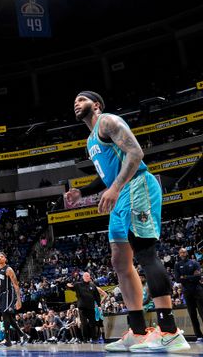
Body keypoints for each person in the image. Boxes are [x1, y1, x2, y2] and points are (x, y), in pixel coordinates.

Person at [65, 91, 190, 352]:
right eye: (74, 100)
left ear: (96, 104)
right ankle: (137, 331)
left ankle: (170, 331)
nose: (76, 102)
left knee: (145, 253)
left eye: (82, 99)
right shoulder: (90, 141)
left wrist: (115, 188)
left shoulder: (108, 121)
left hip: (136, 186)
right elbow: (105, 176)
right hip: (120, 195)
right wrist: (83, 192)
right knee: (120, 261)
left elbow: (135, 153)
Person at [0, 251, 27, 346]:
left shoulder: (8, 269)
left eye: (2, 256)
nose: (0, 258)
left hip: (9, 294)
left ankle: (7, 340)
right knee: (8, 317)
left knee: (5, 315)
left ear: (5, 259)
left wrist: (18, 300)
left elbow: (16, 285)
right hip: (0, 295)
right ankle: (22, 335)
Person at [66, 272, 106, 342]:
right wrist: (68, 285)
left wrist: (99, 305)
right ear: (83, 277)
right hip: (82, 308)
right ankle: (85, 339)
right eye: (87, 276)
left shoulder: (93, 285)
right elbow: (71, 287)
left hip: (91, 307)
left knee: (93, 323)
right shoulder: (78, 285)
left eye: (89, 276)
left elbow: (97, 296)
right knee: (83, 324)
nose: (88, 277)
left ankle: (94, 338)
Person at [175, 247, 203, 343]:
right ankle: (199, 335)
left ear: (186, 253)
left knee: (202, 312)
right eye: (180, 253)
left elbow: (198, 276)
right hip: (187, 291)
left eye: (184, 252)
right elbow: (178, 279)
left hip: (198, 290)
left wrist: (185, 277)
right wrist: (191, 277)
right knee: (192, 315)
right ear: (179, 254)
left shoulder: (194, 262)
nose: (182, 254)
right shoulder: (177, 265)